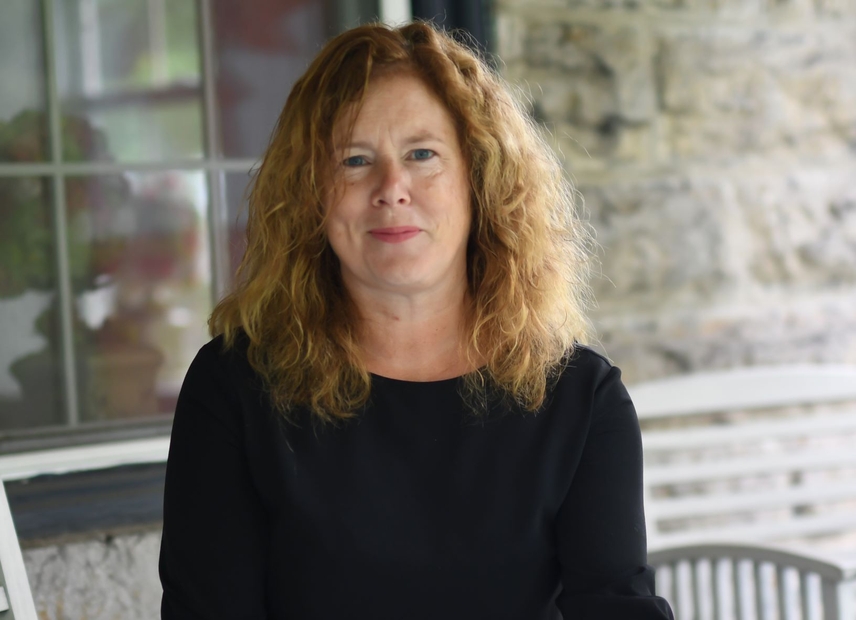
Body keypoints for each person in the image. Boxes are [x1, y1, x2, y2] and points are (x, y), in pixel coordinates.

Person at [159, 20, 673, 620]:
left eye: (422, 154)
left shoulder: (580, 399)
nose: (392, 188)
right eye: (355, 160)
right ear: (310, 195)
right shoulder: (234, 389)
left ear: (480, 178)